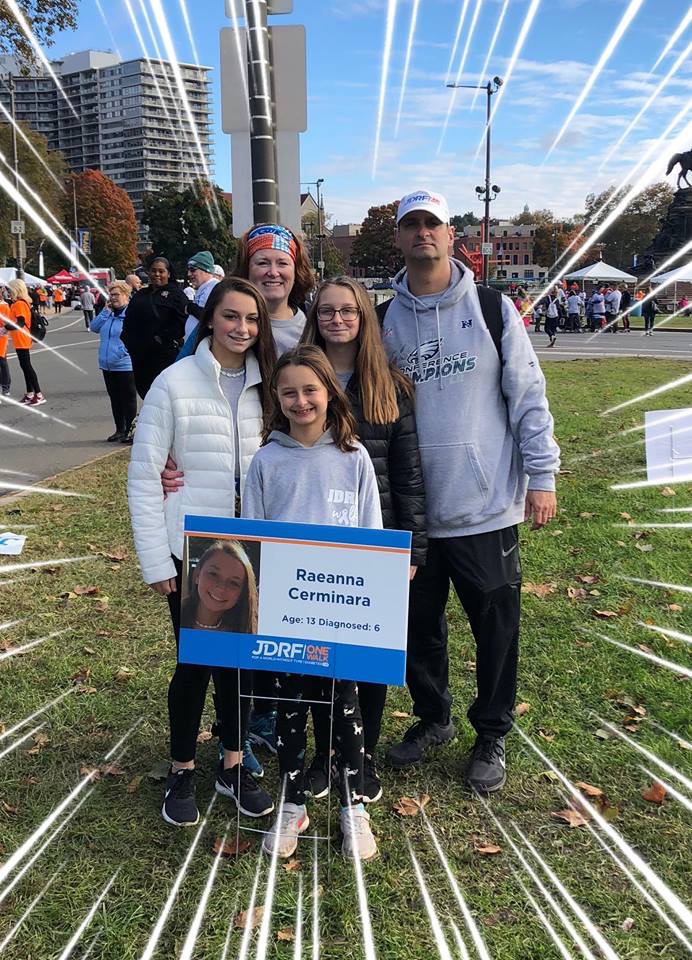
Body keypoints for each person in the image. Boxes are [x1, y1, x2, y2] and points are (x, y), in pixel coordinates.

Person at [379, 190, 559, 793]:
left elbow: (527, 395)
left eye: (432, 222)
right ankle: (433, 719)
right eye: (412, 225)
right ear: (399, 237)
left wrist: (543, 475)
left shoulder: (490, 306)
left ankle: (492, 732)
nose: (422, 233)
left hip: (484, 507)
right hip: (413, 514)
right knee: (415, 627)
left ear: (450, 233)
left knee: (495, 627)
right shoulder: (382, 319)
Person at [127, 276, 277, 828]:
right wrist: (154, 559)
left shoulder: (270, 384)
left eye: (252, 320)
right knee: (195, 664)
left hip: (254, 547)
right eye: (231, 316)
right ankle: (182, 767)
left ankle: (232, 764)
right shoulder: (174, 382)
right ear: (210, 318)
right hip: (189, 549)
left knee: (239, 666)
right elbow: (145, 475)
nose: (241, 328)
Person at [242, 344, 382, 860]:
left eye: (310, 390)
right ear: (276, 399)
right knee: (289, 708)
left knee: (344, 706)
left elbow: (372, 536)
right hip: (285, 611)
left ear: (329, 393)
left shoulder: (355, 458)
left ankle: (353, 805)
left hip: (341, 610)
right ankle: (293, 799)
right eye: (289, 392)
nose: (301, 401)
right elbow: (252, 542)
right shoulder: (265, 461)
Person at [299, 276, 427, 804]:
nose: (337, 320)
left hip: (375, 540)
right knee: (316, 656)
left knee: (366, 656)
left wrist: (413, 549)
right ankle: (324, 753)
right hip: (310, 540)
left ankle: (362, 754)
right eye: (327, 311)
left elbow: (409, 474)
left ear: (364, 318)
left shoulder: (389, 385)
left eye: (348, 311)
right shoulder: (302, 377)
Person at [120, 256, 190, 399]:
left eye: (161, 271)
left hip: (164, 356)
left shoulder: (176, 295)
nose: (157, 274)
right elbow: (128, 319)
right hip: (140, 356)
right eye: (153, 271)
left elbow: (183, 322)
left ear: (168, 274)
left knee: (163, 396)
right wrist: (127, 341)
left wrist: (161, 338)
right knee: (146, 394)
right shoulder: (140, 295)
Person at [90, 280, 138, 443]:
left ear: (126, 295)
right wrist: (105, 311)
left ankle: (131, 431)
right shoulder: (109, 314)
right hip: (107, 364)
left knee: (128, 398)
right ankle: (119, 429)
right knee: (115, 398)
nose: (113, 298)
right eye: (111, 294)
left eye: (116, 294)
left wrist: (121, 353)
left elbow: (135, 337)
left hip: (125, 364)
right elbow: (94, 327)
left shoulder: (131, 314)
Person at [180, 539, 257, 633]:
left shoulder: (247, 635)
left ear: (242, 592)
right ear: (197, 575)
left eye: (233, 582)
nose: (221, 588)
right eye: (213, 574)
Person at [6, 279, 45, 405]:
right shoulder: (20, 303)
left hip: (22, 338)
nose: (7, 291)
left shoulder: (19, 304)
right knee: (25, 366)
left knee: (27, 367)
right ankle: (30, 393)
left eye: (9, 289)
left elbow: (21, 322)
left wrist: (6, 327)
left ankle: (38, 394)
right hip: (20, 338)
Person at [185, 250, 220, 338]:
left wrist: (191, 308)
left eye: (192, 270)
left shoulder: (214, 287)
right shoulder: (205, 287)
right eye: (188, 270)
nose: (188, 274)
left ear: (206, 270)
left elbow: (213, 318)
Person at [0, 290, 11, 398]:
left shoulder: (4, 306)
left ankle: (5, 386)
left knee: (2, 361)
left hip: (1, 337)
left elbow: (7, 323)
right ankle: (5, 386)